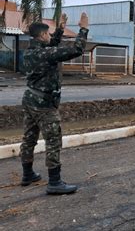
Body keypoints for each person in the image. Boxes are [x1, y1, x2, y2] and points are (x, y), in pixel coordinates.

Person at [20, 12, 89, 194]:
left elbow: (51, 45)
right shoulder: (45, 54)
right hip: (44, 105)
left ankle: (27, 175)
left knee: (29, 138)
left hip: (30, 100)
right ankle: (55, 182)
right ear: (42, 35)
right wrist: (83, 29)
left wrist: (59, 29)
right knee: (53, 141)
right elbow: (76, 50)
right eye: (48, 34)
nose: (50, 36)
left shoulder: (30, 52)